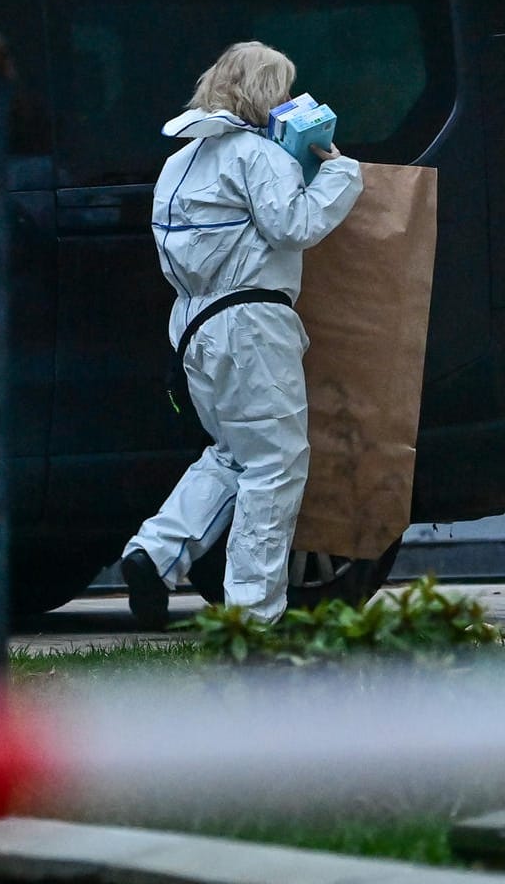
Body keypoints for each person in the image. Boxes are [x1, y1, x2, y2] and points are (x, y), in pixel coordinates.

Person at [118, 41, 363, 628]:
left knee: (232, 453)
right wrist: (339, 172)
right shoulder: (258, 156)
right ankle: (255, 614)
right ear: (265, 94)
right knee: (276, 464)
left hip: (193, 325)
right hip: (253, 324)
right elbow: (294, 225)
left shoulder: (179, 161)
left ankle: (155, 551)